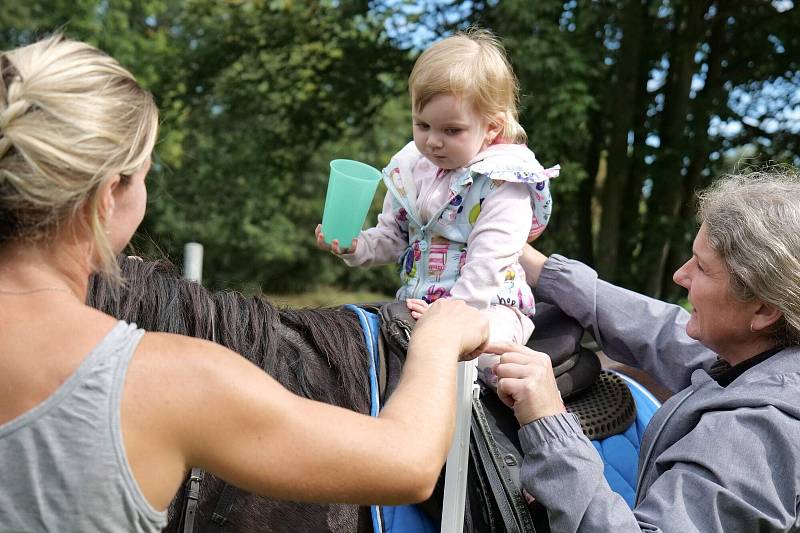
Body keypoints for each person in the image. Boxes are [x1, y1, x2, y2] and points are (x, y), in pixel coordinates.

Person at [0, 35, 490, 532]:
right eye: (145, 175)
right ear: (107, 198)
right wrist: (438, 337)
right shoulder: (164, 380)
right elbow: (407, 465)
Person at [488, 170, 800, 532]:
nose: (680, 276)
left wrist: (549, 425)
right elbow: (662, 334)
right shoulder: (767, 363)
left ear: (763, 309)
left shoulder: (756, 433)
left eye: (701, 267)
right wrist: (538, 268)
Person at [315, 28, 558, 385]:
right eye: (422, 125)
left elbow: (487, 265)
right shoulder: (412, 173)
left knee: (492, 369)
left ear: (490, 128)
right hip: (415, 309)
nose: (432, 141)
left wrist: (448, 319)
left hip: (486, 310)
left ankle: (533, 428)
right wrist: (357, 245)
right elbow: (393, 236)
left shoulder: (503, 182)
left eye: (452, 130)